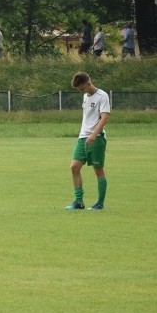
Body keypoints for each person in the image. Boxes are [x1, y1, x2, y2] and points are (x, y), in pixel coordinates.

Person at [65, 72, 110, 211]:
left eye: (81, 88)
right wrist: (84, 135)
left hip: (96, 138)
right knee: (74, 167)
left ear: (88, 83)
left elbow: (104, 117)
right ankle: (79, 202)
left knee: (98, 170)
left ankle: (100, 203)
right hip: (82, 137)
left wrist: (93, 135)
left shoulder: (102, 96)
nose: (81, 91)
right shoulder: (85, 96)